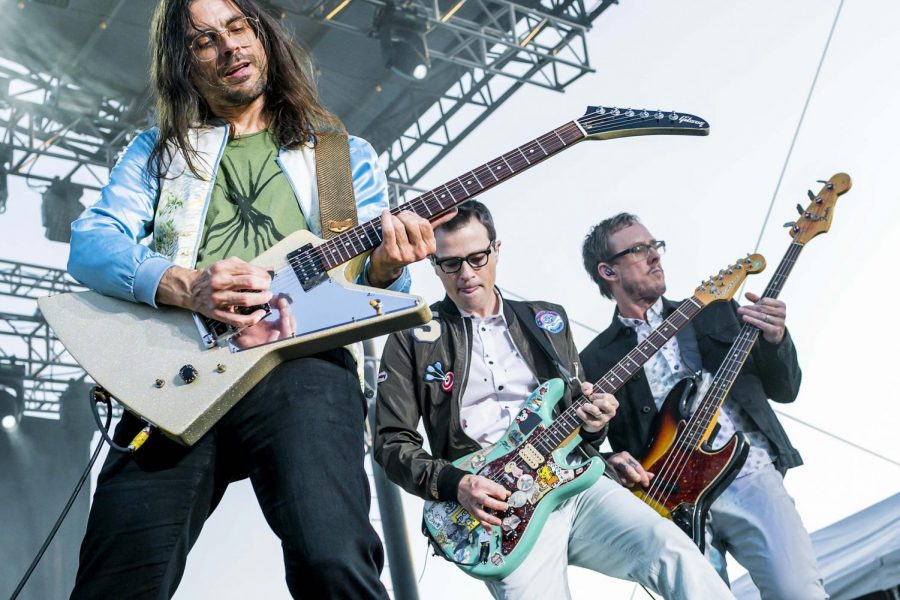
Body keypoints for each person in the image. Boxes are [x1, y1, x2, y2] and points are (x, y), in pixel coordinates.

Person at [66, 0, 449, 597]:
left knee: (334, 562)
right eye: (204, 41)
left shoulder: (338, 154)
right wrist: (185, 285)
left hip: (303, 368)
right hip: (176, 375)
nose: (230, 47)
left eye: (239, 27)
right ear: (183, 64)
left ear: (263, 35)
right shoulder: (158, 152)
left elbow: (372, 290)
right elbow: (91, 244)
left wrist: (384, 264)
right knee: (115, 580)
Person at [374, 201, 735, 599]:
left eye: (477, 258)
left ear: (497, 249)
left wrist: (596, 424)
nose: (467, 274)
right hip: (497, 513)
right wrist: (456, 483)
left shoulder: (547, 320)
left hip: (575, 484)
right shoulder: (412, 338)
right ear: (434, 265)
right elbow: (392, 443)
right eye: (451, 264)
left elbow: (578, 419)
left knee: (673, 550)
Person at [578, 212, 827, 598]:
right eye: (639, 250)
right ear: (608, 271)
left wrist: (777, 339)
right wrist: (610, 460)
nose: (655, 257)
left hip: (750, 474)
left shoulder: (715, 308)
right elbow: (589, 443)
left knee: (800, 593)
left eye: (655, 246)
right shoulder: (594, 360)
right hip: (672, 500)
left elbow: (786, 387)